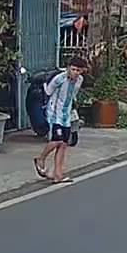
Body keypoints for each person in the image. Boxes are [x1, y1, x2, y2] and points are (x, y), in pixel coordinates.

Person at [34, 56, 88, 184]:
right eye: (73, 69)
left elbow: (73, 96)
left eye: (78, 70)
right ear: (68, 68)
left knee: (63, 144)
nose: (75, 72)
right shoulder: (59, 79)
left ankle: (58, 174)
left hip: (66, 115)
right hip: (54, 114)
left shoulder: (80, 80)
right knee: (56, 140)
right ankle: (41, 158)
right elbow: (48, 92)